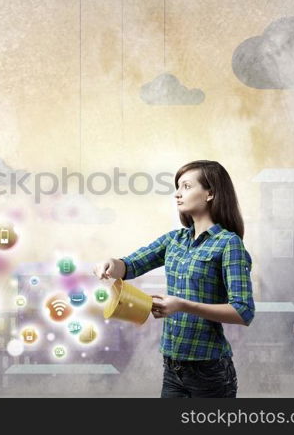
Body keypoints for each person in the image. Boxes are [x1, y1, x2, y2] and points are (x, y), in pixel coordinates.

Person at [93, 160, 255, 397]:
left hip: (210, 372)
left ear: (210, 193)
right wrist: (111, 264)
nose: (177, 194)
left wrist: (181, 305)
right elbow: (131, 265)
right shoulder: (174, 240)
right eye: (178, 187)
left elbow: (243, 311)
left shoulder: (229, 244)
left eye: (187, 186)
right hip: (172, 367)